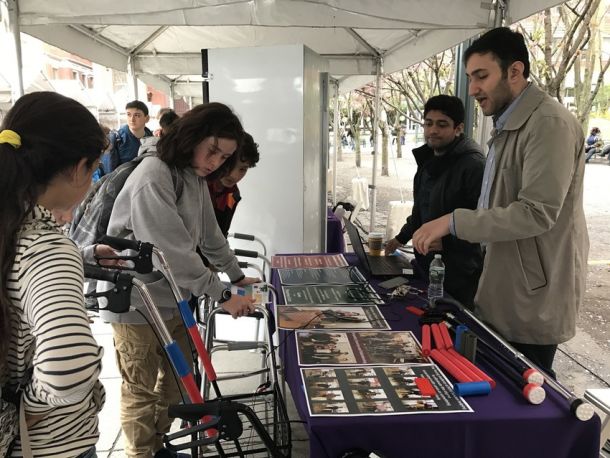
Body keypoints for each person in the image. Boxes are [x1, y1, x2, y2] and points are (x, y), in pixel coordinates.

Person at [411, 27, 588, 376]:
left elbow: (537, 213)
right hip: (503, 285)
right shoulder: (509, 125)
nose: (473, 88)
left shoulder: (549, 124)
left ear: (515, 72)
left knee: (530, 396)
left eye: (482, 76)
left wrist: (451, 222)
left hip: (532, 294)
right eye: (470, 77)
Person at [100, 102, 259, 457]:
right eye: (213, 150)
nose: (215, 162)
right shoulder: (153, 174)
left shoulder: (192, 176)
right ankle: (142, 452)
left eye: (224, 157)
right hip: (135, 300)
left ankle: (157, 447)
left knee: (176, 385)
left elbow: (209, 236)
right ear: (192, 136)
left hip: (170, 297)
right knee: (140, 390)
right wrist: (221, 294)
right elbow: (171, 251)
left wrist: (235, 276)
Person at [0, 91, 107, 457]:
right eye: (94, 170)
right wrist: (27, 410)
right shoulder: (47, 248)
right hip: (50, 446)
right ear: (79, 168)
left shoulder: (9, 229)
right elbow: (68, 368)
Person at [384, 95, 485, 307]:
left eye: (442, 125)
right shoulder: (430, 158)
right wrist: (401, 238)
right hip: (425, 264)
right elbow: (421, 208)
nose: (433, 131)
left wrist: (447, 240)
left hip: (458, 273)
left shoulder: (473, 165)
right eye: (428, 124)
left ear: (458, 128)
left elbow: (483, 222)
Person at [206, 132, 260, 236]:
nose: (234, 175)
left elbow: (222, 233)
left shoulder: (233, 194)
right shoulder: (199, 185)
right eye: (230, 165)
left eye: (243, 169)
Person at [101, 100, 153, 175]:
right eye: (129, 115)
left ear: (147, 118)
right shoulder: (116, 139)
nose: (132, 119)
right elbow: (109, 173)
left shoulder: (152, 140)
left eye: (137, 115)